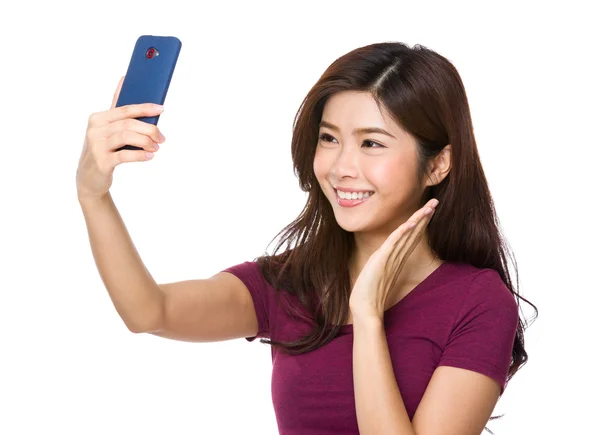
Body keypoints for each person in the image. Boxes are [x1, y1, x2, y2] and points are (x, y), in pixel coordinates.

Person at [77, 41, 537, 435]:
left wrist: (367, 318)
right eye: (329, 138)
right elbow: (149, 312)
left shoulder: (478, 302)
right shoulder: (289, 283)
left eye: (371, 143)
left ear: (438, 164)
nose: (341, 168)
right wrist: (93, 193)